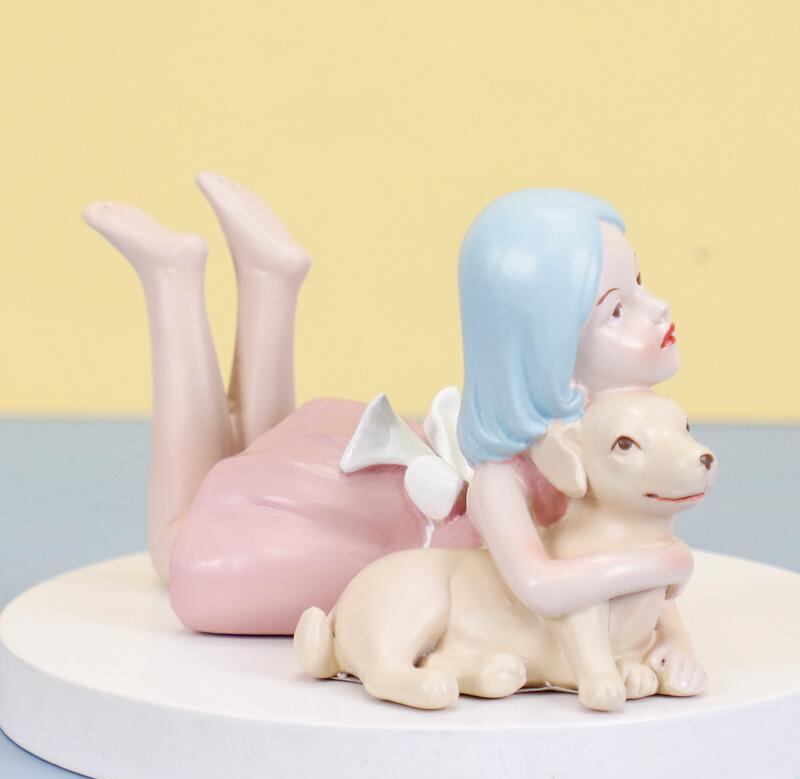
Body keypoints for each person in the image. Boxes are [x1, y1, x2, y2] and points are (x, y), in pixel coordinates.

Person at [83, 178, 694, 636]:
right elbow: (544, 586)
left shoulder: (599, 439)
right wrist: (663, 566)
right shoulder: (521, 473)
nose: (658, 308)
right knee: (178, 549)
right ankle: (171, 279)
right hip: (389, 537)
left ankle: (270, 280)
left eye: (640, 284)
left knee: (253, 472)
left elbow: (626, 586)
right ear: (547, 348)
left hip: (390, 508)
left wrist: (667, 619)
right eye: (618, 309)